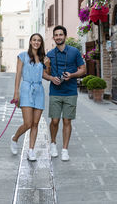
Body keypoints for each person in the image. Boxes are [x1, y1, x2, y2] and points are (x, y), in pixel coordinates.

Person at [44, 25, 86, 161]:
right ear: (53, 37)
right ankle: (53, 144)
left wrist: (72, 75)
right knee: (54, 121)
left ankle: (65, 150)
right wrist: (51, 77)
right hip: (55, 91)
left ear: (65, 36)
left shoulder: (74, 52)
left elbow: (83, 69)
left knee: (67, 121)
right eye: (56, 35)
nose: (58, 37)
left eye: (60, 35)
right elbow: (44, 73)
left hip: (71, 91)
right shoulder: (49, 54)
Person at [10, 33, 50, 161]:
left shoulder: (43, 57)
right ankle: (15, 138)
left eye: (39, 40)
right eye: (34, 40)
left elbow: (45, 74)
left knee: (35, 123)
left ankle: (31, 150)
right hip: (26, 89)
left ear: (41, 43)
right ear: (30, 41)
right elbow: (18, 75)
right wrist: (16, 92)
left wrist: (47, 65)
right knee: (27, 123)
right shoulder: (22, 56)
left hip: (39, 90)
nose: (36, 42)